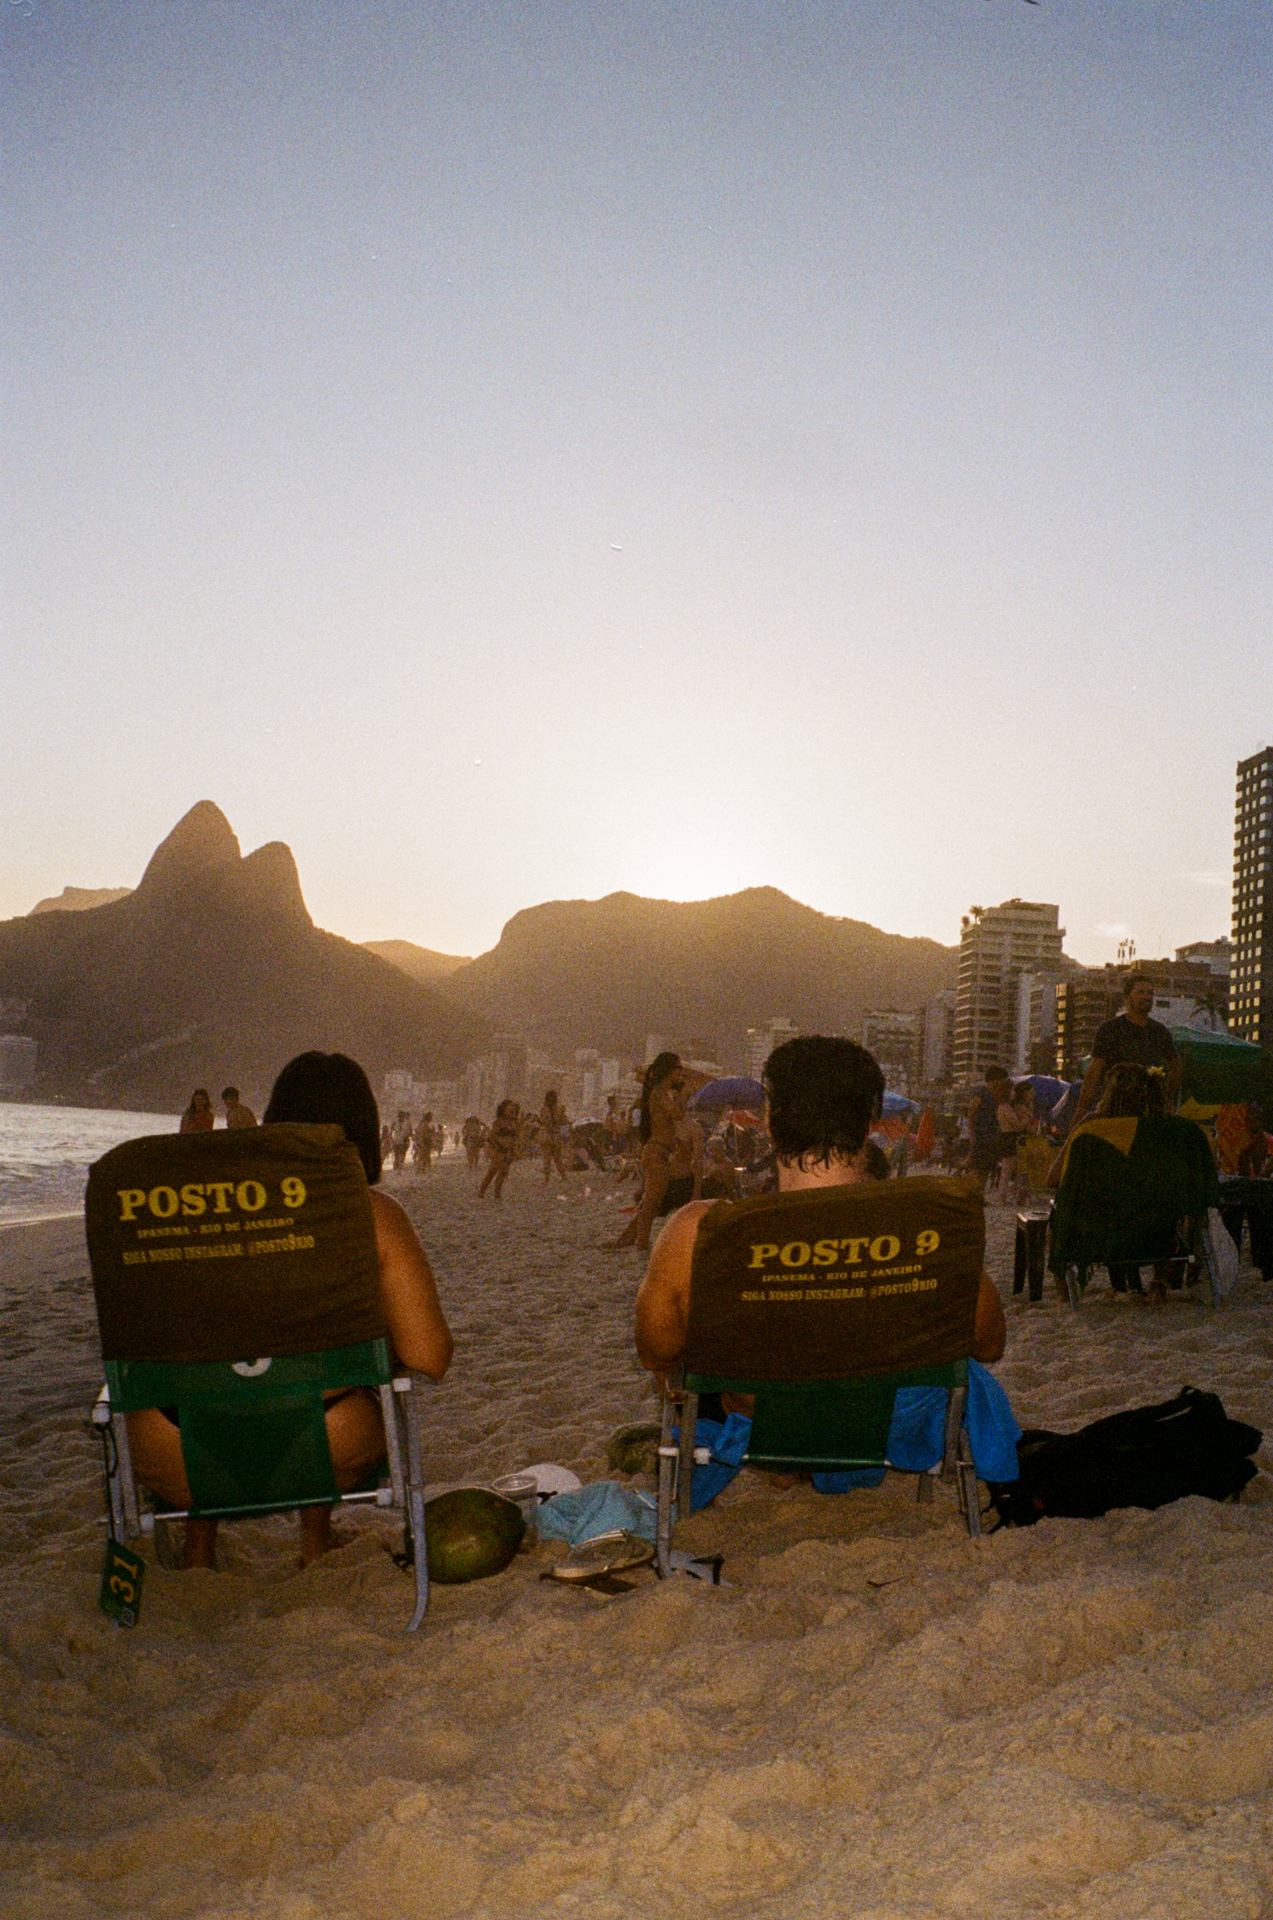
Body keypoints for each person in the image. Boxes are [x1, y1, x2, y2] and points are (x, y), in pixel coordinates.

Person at [127, 1051, 454, 1569]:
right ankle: (313, 1539)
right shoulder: (375, 1218)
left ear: (275, 1122)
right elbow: (431, 1356)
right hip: (322, 1447)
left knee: (213, 1364)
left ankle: (199, 1546)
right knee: (320, 1376)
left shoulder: (197, 1209)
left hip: (174, 1452)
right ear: (364, 1130)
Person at [636, 1035, 1006, 1384]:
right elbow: (989, 1343)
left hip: (753, 1440)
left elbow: (656, 1351)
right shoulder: (932, 1227)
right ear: (869, 1122)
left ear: (769, 1120)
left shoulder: (697, 1231)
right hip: (893, 1444)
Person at [608, 1052, 704, 1250]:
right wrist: (685, 1094)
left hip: (661, 1153)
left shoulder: (662, 1091)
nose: (681, 1072)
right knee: (652, 1203)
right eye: (678, 1068)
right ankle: (641, 1244)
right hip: (657, 1153)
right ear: (669, 1070)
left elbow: (676, 1115)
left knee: (653, 1201)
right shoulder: (660, 1092)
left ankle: (631, 1238)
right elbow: (677, 1114)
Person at [1070, 974, 1182, 1128]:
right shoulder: (1110, 1029)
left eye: (1150, 993)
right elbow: (1095, 1070)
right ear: (1127, 998)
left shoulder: (1160, 1031)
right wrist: (1081, 1109)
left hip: (1151, 1109)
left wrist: (1168, 1098)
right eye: (1140, 992)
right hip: (1116, 1105)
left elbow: (1175, 1067)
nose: (1147, 997)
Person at [967, 1067, 1011, 1194]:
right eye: (1002, 1080)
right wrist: (972, 1138)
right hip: (981, 1138)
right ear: (996, 1080)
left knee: (985, 1169)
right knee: (977, 1170)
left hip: (992, 1138)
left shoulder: (998, 1096)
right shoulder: (982, 1093)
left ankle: (979, 1195)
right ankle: (973, 1194)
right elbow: (971, 1115)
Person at [478, 1099, 520, 1200]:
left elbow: (516, 1136)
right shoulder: (498, 1122)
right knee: (492, 1172)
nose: (512, 1109)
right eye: (510, 1107)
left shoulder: (514, 1122)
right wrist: (498, 1147)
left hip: (509, 1151)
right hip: (498, 1150)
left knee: (503, 1173)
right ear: (503, 1109)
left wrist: (515, 1149)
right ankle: (482, 1191)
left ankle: (497, 1193)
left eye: (513, 1107)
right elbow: (493, 1137)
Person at [539, 1090, 570, 1184]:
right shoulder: (560, 1109)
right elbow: (564, 1123)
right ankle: (564, 1177)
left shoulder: (543, 1109)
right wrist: (565, 1137)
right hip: (556, 1136)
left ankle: (546, 1179)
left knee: (546, 1158)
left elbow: (542, 1121)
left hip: (546, 1135)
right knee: (557, 1159)